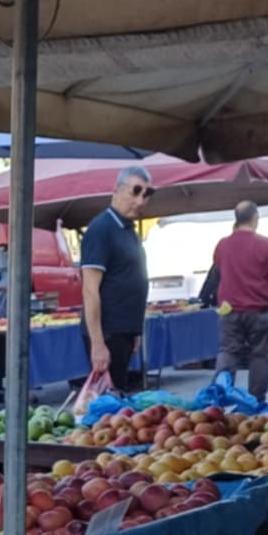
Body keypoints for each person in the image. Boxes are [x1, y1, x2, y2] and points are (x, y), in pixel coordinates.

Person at [80, 165, 153, 388]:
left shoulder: (129, 230)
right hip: (108, 333)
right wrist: (98, 343)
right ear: (117, 190)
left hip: (124, 332)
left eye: (147, 194)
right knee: (106, 408)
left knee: (117, 401)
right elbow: (90, 289)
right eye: (135, 191)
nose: (140, 201)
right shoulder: (101, 229)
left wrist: (135, 330)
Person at [212, 202, 268, 400]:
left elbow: (218, 268)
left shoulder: (223, 245)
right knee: (259, 354)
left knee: (228, 352)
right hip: (259, 309)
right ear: (255, 218)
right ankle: (256, 399)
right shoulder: (267, 245)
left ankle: (219, 396)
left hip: (229, 309)